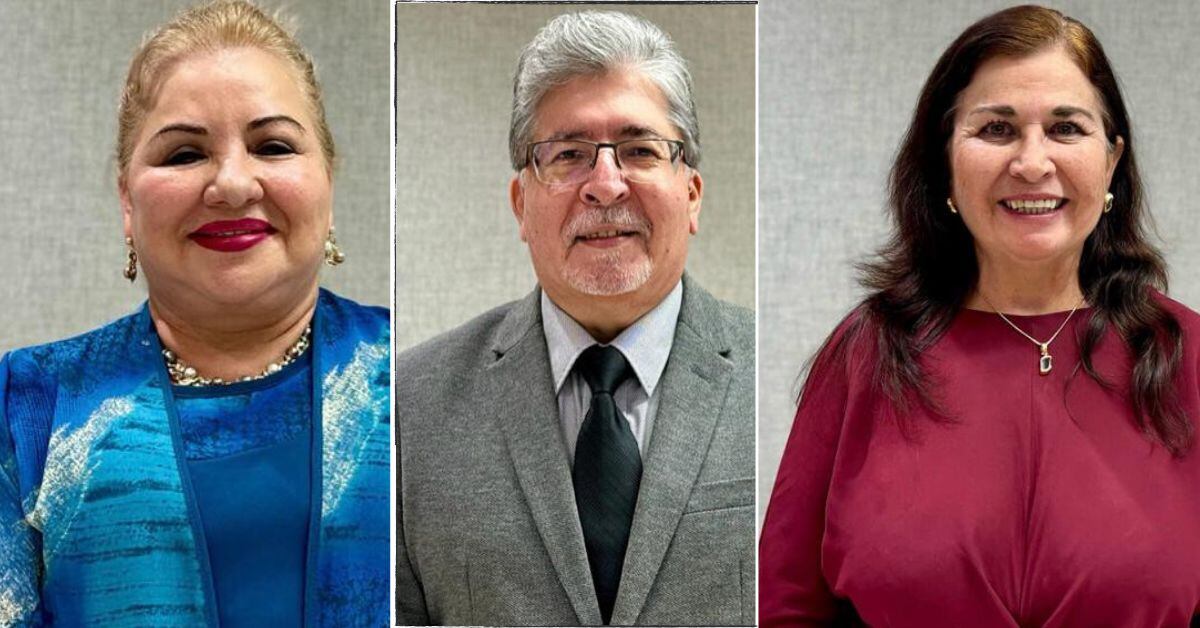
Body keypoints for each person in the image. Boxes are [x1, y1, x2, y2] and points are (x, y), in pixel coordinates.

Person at [760, 5, 1200, 627]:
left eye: (1066, 128)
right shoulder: (867, 351)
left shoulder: (1187, 354)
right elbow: (786, 604)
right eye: (996, 129)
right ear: (945, 160)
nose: (1031, 162)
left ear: (1112, 162)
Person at [0, 1, 389, 625]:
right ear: (128, 202)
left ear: (328, 182)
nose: (233, 184)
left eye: (273, 146)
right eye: (184, 155)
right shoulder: (27, 406)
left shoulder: (421, 377)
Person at [396, 10, 754, 627]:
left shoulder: (775, 379)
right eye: (569, 155)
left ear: (691, 195)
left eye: (640, 150)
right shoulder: (409, 402)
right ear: (521, 205)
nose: (606, 184)